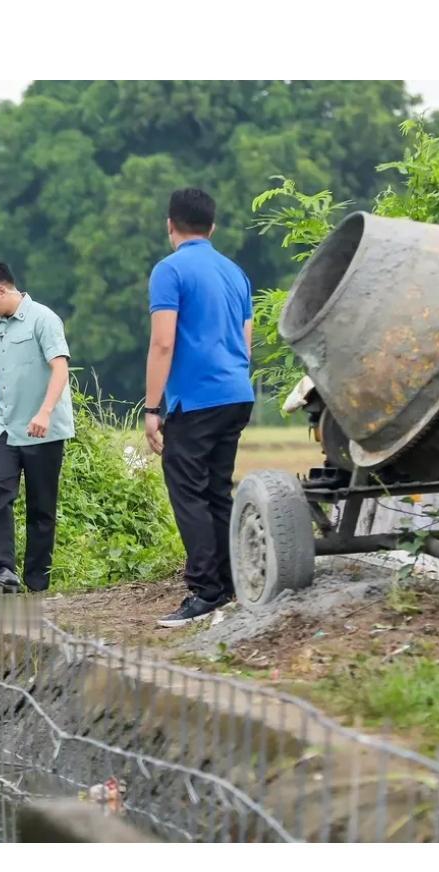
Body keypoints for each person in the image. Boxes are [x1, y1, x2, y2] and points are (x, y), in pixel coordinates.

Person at [144, 188, 254, 627]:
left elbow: (163, 342)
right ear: (212, 227)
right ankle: (230, 581)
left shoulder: (169, 270)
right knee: (217, 490)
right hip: (237, 392)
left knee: (188, 491)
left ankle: (206, 590)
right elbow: (246, 342)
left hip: (196, 399)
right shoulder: (236, 272)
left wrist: (152, 408)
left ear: (170, 224)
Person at [0, 262, 74, 594]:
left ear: (2, 290)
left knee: (41, 506)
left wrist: (45, 412)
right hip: (2, 427)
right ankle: (4, 570)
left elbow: (60, 368)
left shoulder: (43, 319)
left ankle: (37, 581)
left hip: (41, 428)